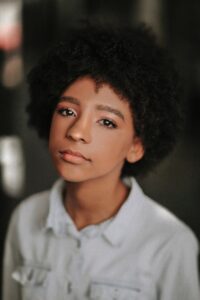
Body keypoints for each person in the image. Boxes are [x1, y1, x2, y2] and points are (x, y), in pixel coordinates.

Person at [3, 23, 200, 300]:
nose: (76, 132)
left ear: (136, 146)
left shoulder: (169, 243)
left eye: (106, 121)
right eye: (68, 110)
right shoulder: (24, 220)